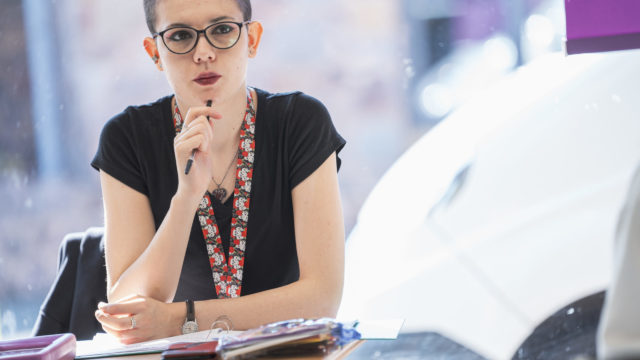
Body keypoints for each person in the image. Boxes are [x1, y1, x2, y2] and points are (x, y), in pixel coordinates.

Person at [91, 0, 346, 344]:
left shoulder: (301, 122)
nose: (203, 53)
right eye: (180, 36)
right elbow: (127, 313)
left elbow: (321, 301)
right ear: (154, 52)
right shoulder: (127, 138)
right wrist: (186, 198)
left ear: (251, 38)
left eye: (222, 30)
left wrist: (181, 320)